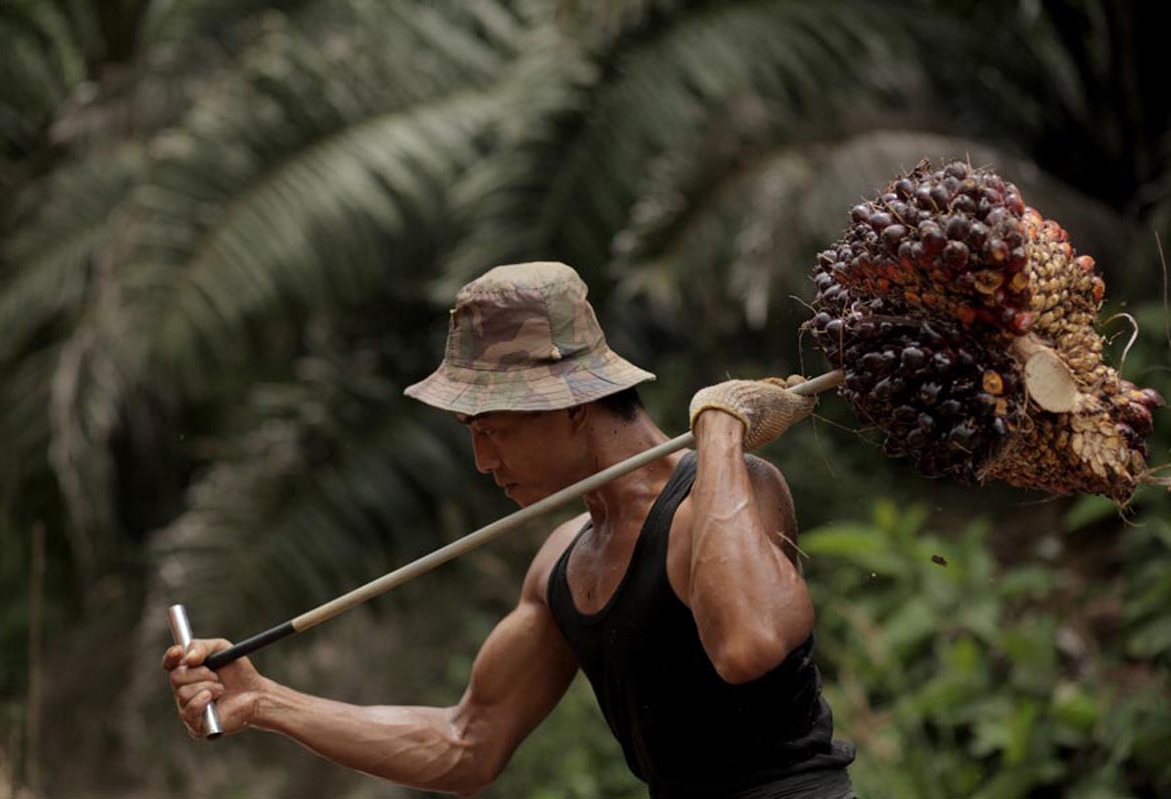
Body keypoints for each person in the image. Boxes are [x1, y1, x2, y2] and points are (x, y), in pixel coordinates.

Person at [165, 261, 856, 798]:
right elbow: (466, 745)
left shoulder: (733, 492)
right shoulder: (563, 563)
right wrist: (267, 700)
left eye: (492, 429)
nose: (481, 460)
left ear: (573, 405)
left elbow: (750, 643)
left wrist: (722, 430)